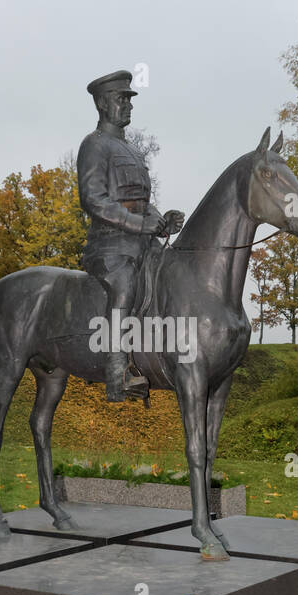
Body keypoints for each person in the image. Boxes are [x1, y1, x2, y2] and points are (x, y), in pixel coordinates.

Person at [77, 70, 184, 401]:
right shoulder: (94, 146)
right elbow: (93, 199)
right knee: (124, 286)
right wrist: (139, 225)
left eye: (129, 99)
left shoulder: (133, 152)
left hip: (142, 246)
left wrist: (160, 222)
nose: (128, 106)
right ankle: (116, 373)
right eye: (121, 99)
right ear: (102, 104)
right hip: (110, 250)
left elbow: (142, 203)